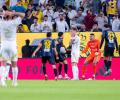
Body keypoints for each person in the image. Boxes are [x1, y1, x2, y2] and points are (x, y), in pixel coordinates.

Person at [0, 10, 25, 87]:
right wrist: (14, 13)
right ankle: (14, 82)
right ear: (11, 16)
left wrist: (3, 13)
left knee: (3, 64)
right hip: (12, 45)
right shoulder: (14, 22)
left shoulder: (1, 22)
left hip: (3, 45)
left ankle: (2, 81)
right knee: (14, 64)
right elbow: (23, 14)